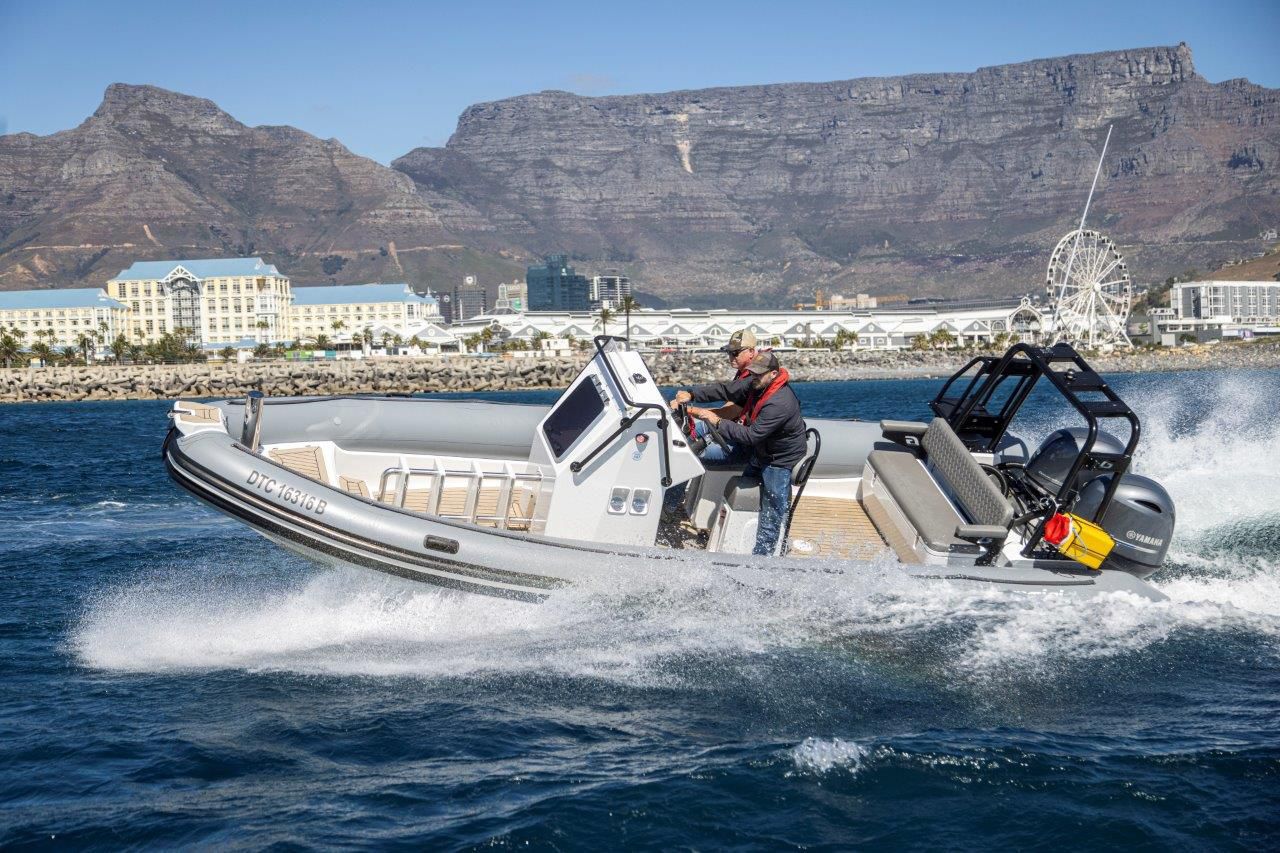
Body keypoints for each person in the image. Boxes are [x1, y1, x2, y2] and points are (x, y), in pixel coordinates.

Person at [687, 351, 807, 556]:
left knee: (772, 511)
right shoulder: (756, 384)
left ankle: (763, 557)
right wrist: (693, 395)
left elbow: (751, 436)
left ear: (773, 374)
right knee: (746, 491)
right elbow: (727, 390)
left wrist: (717, 421)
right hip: (762, 452)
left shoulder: (779, 403)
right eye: (752, 373)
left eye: (759, 374)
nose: (754, 377)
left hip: (778, 460)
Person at [667, 329, 758, 463]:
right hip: (731, 428)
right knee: (673, 439)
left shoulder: (754, 377)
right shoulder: (743, 372)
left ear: (751, 352)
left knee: (689, 454)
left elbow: (728, 412)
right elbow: (731, 404)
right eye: (729, 352)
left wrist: (686, 409)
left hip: (744, 442)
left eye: (735, 353)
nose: (731, 357)